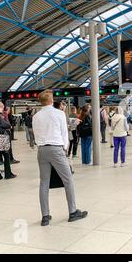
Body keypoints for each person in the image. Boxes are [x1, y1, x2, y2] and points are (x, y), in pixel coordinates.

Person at [33, 90, 87, 226]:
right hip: (56, 148)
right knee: (68, 179)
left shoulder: (36, 116)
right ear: (51, 100)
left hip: (41, 150)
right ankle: (73, 212)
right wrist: (64, 149)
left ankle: (45, 216)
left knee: (44, 182)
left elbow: (36, 134)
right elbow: (64, 133)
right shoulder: (59, 113)